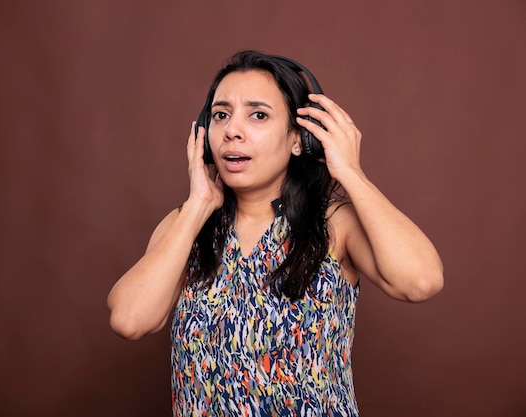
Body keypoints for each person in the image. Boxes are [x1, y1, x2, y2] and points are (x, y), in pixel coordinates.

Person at [107, 50, 443, 416]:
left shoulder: (335, 224)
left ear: (300, 140)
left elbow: (421, 281)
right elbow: (129, 320)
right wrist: (199, 204)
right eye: (221, 115)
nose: (233, 130)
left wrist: (351, 173)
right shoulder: (185, 226)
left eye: (258, 115)